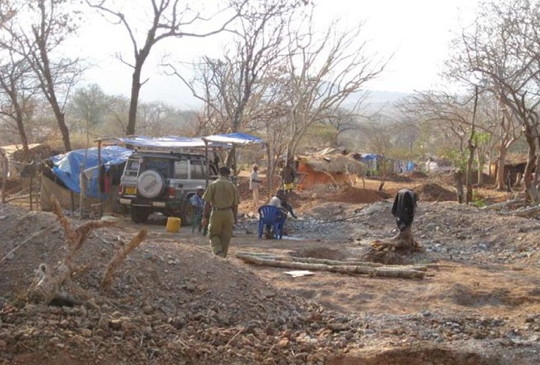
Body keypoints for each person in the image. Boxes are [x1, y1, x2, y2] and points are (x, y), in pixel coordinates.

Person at [201, 166, 240, 258]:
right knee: (226, 237)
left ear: (219, 173)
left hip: (216, 212)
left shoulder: (213, 185)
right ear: (228, 174)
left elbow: (207, 203)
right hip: (229, 213)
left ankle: (218, 252)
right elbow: (235, 205)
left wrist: (204, 217)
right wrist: (235, 218)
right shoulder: (232, 186)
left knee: (213, 234)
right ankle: (223, 256)